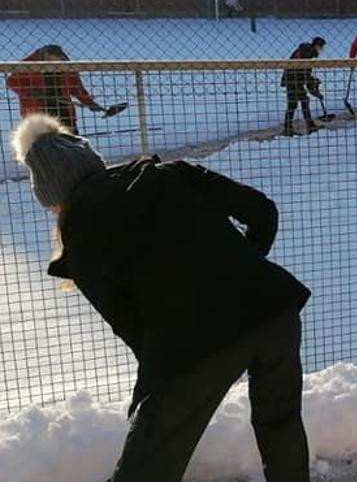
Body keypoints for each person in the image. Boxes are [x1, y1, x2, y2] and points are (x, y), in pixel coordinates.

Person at [9, 114, 311, 481]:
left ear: (53, 196)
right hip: (273, 309)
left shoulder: (80, 239)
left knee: (147, 468)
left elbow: (135, 331)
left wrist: (151, 405)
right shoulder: (171, 173)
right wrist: (238, 274)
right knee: (279, 423)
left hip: (195, 345)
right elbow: (262, 212)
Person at [6, 44, 106, 134]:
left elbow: (76, 87)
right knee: (42, 143)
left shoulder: (67, 65)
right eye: (50, 62)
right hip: (38, 109)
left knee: (70, 139)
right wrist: (31, 92)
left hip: (63, 107)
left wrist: (89, 102)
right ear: (43, 58)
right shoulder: (30, 64)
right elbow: (12, 81)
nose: (53, 66)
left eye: (57, 64)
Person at [281, 37, 325, 136]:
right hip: (293, 79)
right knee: (294, 103)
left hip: (294, 79)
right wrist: (311, 82)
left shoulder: (307, 51)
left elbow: (305, 73)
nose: (321, 50)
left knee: (302, 101)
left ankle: (308, 125)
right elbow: (303, 72)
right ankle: (289, 128)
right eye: (321, 47)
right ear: (317, 46)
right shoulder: (308, 53)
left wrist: (312, 82)